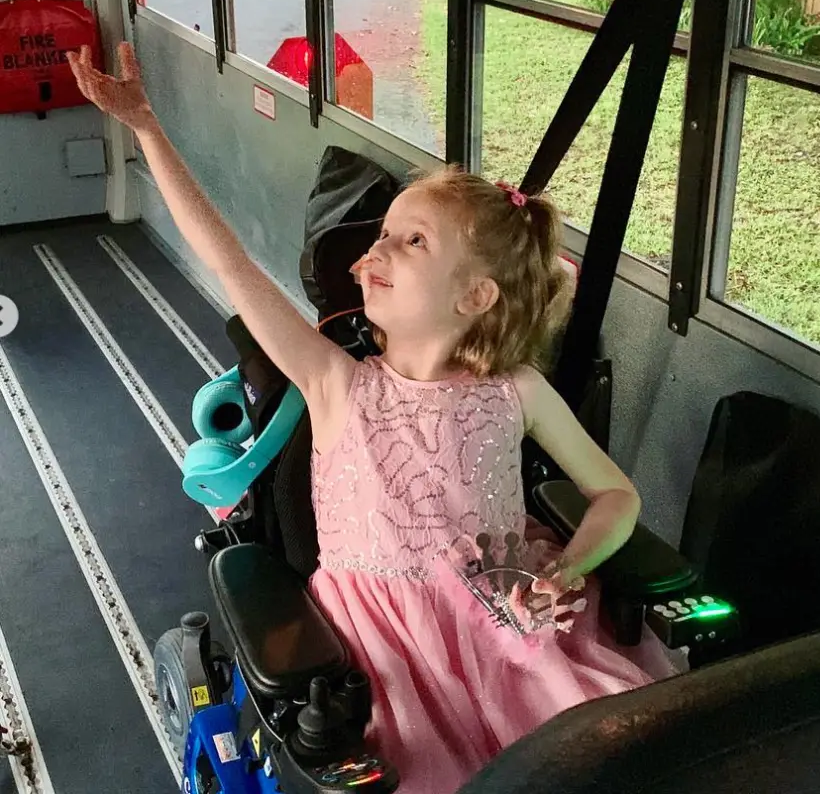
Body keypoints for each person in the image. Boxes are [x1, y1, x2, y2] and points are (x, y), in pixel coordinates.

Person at [67, 43, 681, 794]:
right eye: (381, 234)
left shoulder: (516, 391)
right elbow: (230, 263)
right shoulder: (335, 382)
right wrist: (148, 131)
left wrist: (569, 564)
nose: (373, 250)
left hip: (507, 631)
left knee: (600, 759)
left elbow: (617, 499)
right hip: (383, 649)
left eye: (410, 239)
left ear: (476, 297)